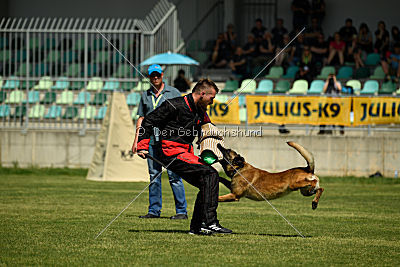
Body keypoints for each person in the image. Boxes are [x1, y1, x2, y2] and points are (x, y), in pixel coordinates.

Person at [136, 78, 233, 235]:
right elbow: (148, 121)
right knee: (210, 174)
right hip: (170, 152)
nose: (212, 102)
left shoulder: (200, 111)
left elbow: (208, 128)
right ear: (202, 94)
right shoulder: (174, 104)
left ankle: (197, 227)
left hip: (185, 152)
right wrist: (142, 146)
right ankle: (210, 222)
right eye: (212, 98)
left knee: (206, 182)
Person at [132, 64, 188, 220]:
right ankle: (154, 210)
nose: (155, 77)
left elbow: (182, 115)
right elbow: (141, 119)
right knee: (154, 175)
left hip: (170, 141)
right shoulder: (145, 95)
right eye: (152, 75)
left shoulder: (174, 92)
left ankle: (181, 211)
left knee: (174, 176)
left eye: (157, 75)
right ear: (149, 77)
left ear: (162, 75)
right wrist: (137, 140)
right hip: (151, 140)